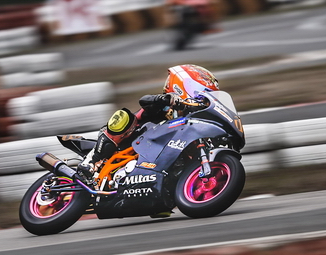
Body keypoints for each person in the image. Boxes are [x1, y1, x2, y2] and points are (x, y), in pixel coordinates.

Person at [79, 64, 221, 182]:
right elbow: (145, 100)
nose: (202, 98)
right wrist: (167, 100)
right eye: (200, 92)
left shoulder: (195, 123)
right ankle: (91, 162)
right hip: (129, 143)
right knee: (124, 116)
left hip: (154, 165)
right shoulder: (166, 106)